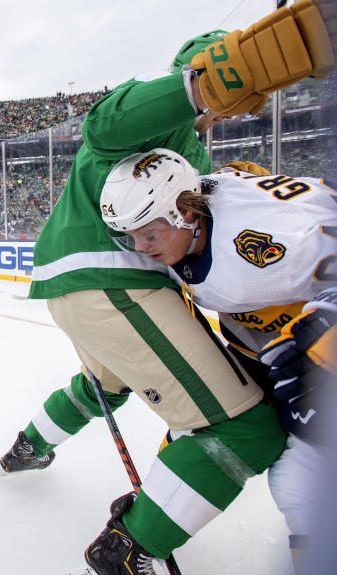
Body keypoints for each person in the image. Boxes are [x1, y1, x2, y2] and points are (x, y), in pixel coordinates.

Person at [0, 1, 335, 572]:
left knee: (106, 381)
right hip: (115, 283)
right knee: (245, 426)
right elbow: (106, 121)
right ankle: (131, 547)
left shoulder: (195, 151)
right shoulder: (167, 118)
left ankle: (29, 445)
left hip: (79, 286)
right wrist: (207, 84)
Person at [98, 149, 337, 571]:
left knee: (300, 484)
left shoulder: (255, 248)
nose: (140, 248)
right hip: (270, 343)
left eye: (149, 233)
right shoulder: (200, 205)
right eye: (129, 236)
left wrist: (326, 327)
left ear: (185, 214)